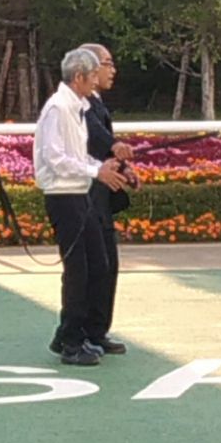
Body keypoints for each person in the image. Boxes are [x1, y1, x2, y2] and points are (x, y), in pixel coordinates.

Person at [34, 48, 129, 366]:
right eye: (91, 77)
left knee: (97, 265)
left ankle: (69, 333)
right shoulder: (59, 108)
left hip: (79, 194)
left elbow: (76, 154)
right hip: (64, 196)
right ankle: (72, 341)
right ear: (79, 77)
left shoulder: (76, 106)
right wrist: (94, 170)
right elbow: (54, 157)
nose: (95, 83)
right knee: (79, 270)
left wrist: (104, 168)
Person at [77, 42, 135, 355]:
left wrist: (124, 167)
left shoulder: (96, 103)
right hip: (84, 196)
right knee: (93, 266)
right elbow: (95, 139)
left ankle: (98, 330)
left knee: (108, 264)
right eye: (107, 64)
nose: (112, 70)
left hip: (101, 196)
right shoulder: (77, 105)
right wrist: (115, 148)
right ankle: (82, 332)